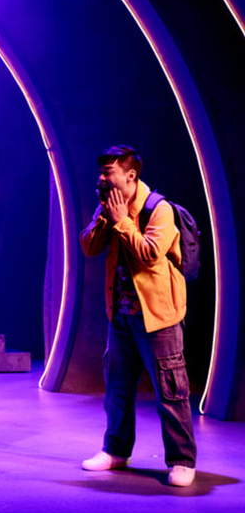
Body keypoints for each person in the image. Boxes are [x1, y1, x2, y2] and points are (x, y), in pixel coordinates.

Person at [79, 144, 196, 487]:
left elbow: (148, 254)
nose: (101, 180)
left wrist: (123, 221)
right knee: (117, 388)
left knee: (170, 390)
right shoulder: (109, 206)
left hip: (158, 317)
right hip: (121, 316)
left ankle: (182, 460)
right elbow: (88, 247)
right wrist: (106, 218)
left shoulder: (158, 210)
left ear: (130, 176)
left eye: (108, 173)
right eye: (100, 173)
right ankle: (115, 451)